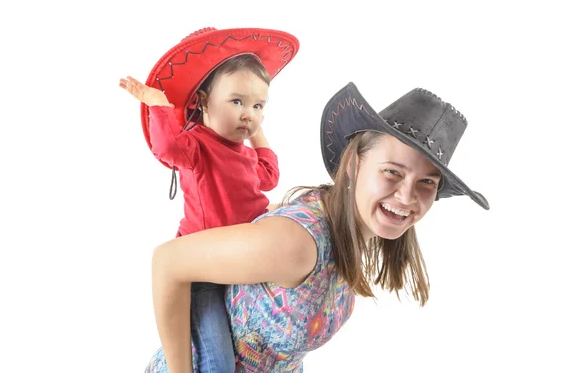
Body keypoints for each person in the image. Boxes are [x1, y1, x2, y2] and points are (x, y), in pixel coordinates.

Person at [145, 81, 490, 373]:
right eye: (392, 172)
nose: (406, 196)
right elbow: (168, 262)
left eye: (427, 182)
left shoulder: (345, 228)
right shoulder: (298, 242)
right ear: (355, 164)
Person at [120, 27, 300, 373]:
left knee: (276, 342)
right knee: (218, 363)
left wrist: (256, 128)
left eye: (258, 105)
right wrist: (160, 107)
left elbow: (269, 176)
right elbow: (168, 148)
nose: (248, 113)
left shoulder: (243, 153)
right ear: (204, 101)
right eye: (237, 102)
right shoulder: (196, 147)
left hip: (246, 263)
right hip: (204, 270)